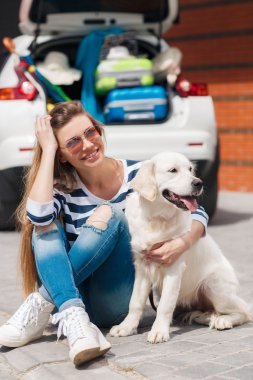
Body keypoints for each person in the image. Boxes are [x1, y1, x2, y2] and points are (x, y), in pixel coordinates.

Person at [0, 101, 208, 366]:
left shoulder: (138, 173)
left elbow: (195, 210)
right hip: (76, 297)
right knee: (45, 226)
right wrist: (49, 149)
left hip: (113, 299)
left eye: (90, 133)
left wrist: (182, 242)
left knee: (111, 214)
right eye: (73, 142)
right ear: (63, 155)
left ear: (99, 131)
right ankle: (74, 317)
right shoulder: (62, 187)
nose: (87, 145)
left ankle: (43, 301)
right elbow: (39, 216)